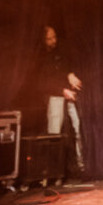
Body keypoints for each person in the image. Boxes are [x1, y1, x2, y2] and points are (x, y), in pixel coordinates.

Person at [36, 25, 85, 180]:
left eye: (54, 37)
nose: (53, 41)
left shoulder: (60, 52)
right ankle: (53, 170)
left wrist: (71, 75)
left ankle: (81, 164)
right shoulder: (41, 57)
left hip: (68, 95)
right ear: (43, 40)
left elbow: (65, 68)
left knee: (78, 127)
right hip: (55, 96)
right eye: (49, 38)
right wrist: (62, 90)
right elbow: (43, 83)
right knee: (54, 133)